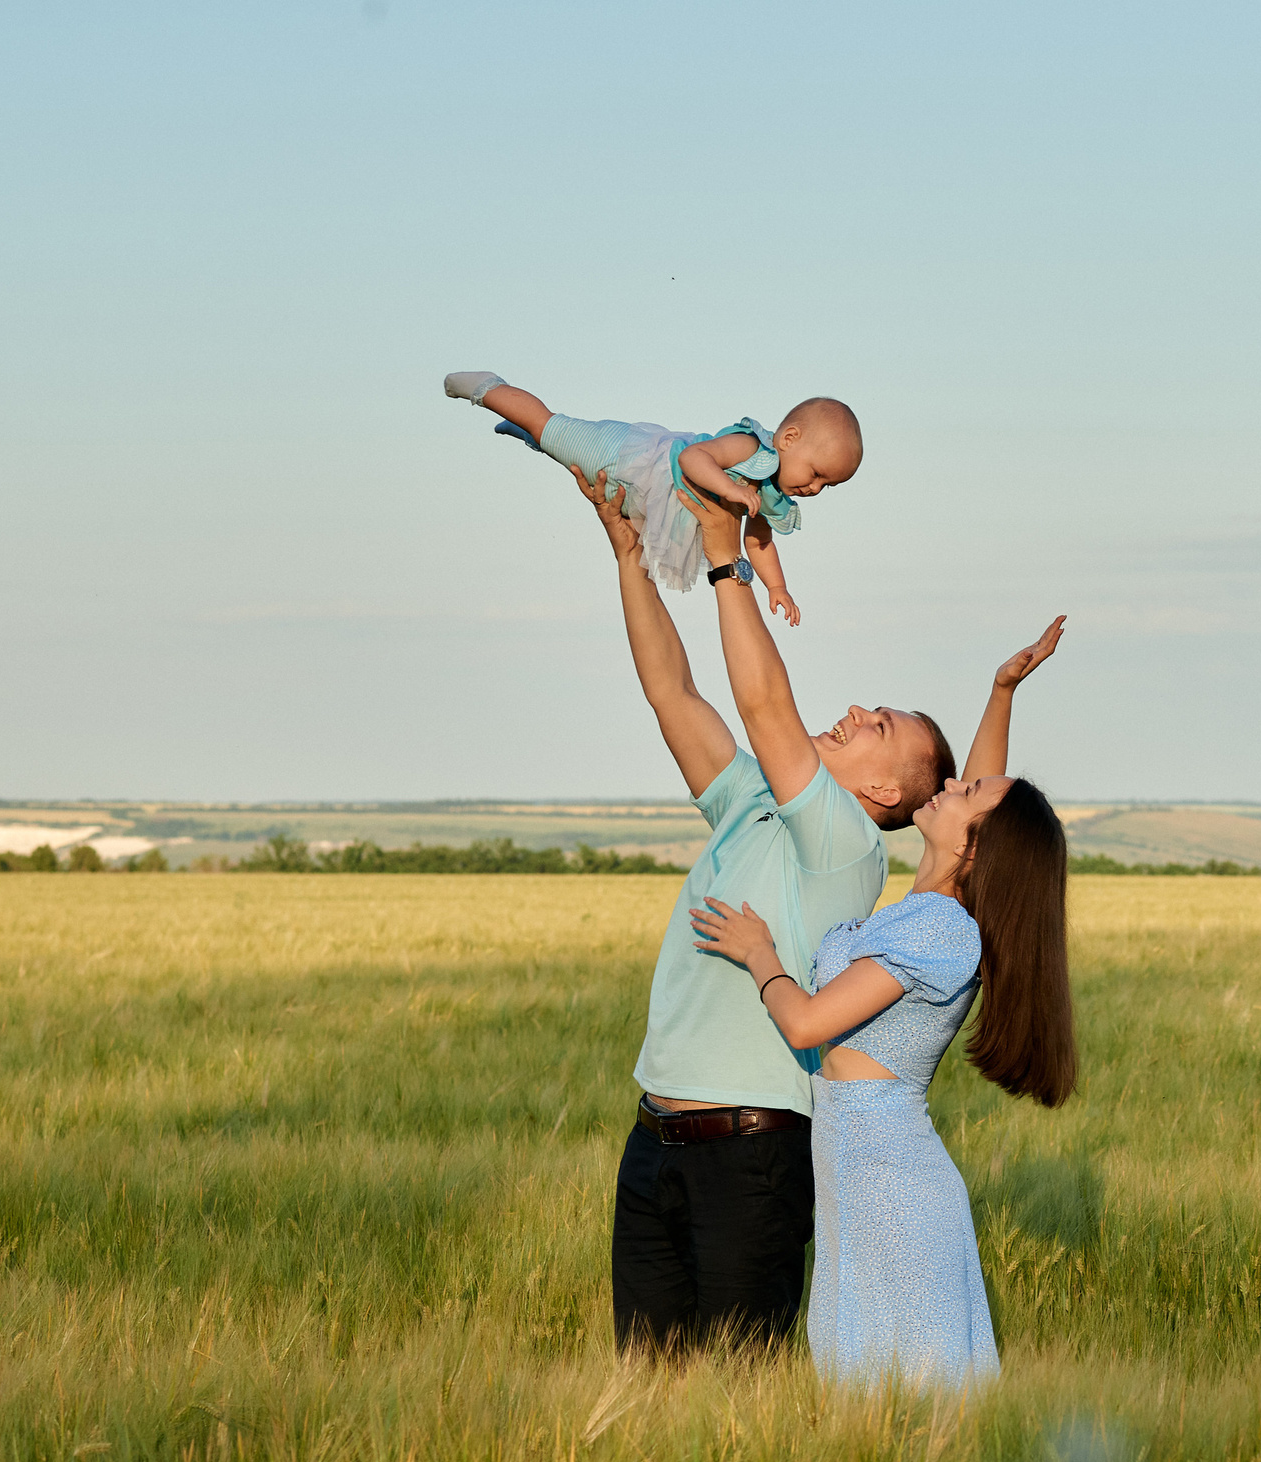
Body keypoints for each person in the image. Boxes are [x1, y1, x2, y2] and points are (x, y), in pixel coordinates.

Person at [577, 463, 1065, 1355]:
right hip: (655, 1136)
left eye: (878, 725)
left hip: (753, 1151)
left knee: (748, 1401)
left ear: (882, 789)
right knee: (647, 1389)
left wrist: (727, 563)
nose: (852, 712)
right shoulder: (754, 804)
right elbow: (672, 694)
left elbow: (768, 706)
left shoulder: (847, 844)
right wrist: (631, 560)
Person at [688, 765, 1076, 1388]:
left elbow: (809, 1025)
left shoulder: (945, 928)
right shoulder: (918, 914)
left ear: (974, 847)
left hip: (891, 1183)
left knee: (904, 1386)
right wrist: (1001, 690)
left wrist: (761, 955)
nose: (951, 783)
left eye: (968, 792)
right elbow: (990, 803)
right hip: (857, 1169)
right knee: (872, 1378)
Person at [444, 370, 866, 622]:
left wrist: (778, 588)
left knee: (564, 456)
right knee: (553, 427)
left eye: (826, 486)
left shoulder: (771, 493)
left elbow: (759, 541)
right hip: (638, 460)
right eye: (816, 474)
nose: (814, 488)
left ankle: (530, 434)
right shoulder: (752, 449)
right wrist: (729, 488)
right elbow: (695, 460)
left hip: (640, 501)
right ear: (790, 438)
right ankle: (487, 389)